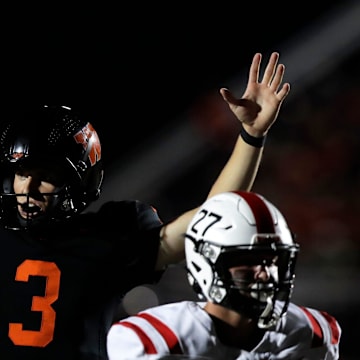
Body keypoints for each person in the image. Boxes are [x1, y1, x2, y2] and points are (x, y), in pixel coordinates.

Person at [0, 52, 290, 360]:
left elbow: (214, 215)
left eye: (44, 177)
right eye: (21, 173)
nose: (27, 188)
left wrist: (252, 135)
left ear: (79, 182)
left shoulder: (107, 238)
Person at [107, 191, 342, 360]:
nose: (265, 274)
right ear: (206, 263)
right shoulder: (151, 341)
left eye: (274, 260)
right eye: (248, 261)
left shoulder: (313, 334)